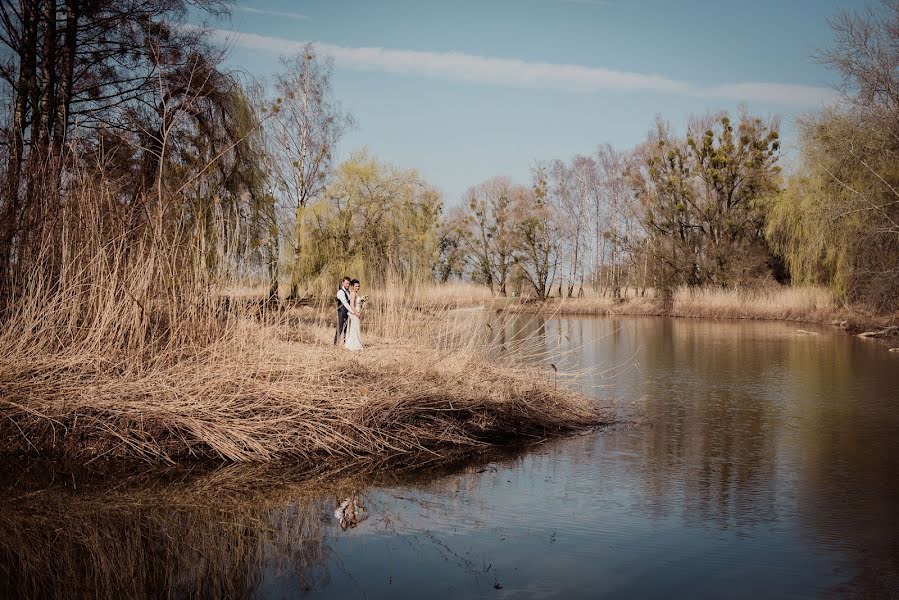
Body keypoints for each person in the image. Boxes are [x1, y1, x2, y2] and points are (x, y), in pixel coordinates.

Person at [344, 279, 364, 351]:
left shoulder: (356, 294)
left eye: (358, 286)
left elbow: (357, 304)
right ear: (353, 286)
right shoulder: (353, 294)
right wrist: (356, 313)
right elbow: (352, 305)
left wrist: (363, 305)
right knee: (354, 329)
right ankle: (352, 345)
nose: (357, 288)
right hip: (355, 313)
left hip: (358, 312)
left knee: (356, 328)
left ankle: (356, 344)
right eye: (356, 286)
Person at [334, 276, 352, 346]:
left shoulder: (348, 292)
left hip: (347, 313)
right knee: (340, 328)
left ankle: (345, 343)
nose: (348, 285)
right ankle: (335, 344)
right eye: (346, 283)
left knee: (346, 328)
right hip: (341, 312)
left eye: (348, 284)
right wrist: (352, 311)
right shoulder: (340, 292)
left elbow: (350, 302)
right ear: (343, 283)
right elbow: (345, 303)